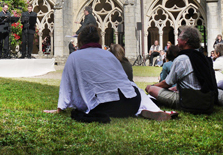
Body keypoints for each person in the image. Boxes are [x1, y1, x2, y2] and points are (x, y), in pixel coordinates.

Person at [44, 25, 174, 122]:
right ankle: (151, 110)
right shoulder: (109, 55)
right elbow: (125, 81)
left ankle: (145, 111)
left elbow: (66, 85)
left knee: (103, 100)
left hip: (104, 106)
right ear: (98, 41)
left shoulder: (74, 56)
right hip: (131, 102)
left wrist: (60, 108)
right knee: (134, 89)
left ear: (81, 42)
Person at [146, 26, 217, 114]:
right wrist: (176, 88)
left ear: (185, 40)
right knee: (172, 89)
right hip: (207, 101)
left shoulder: (182, 59)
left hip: (188, 102)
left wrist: (152, 86)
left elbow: (166, 83)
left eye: (179, 37)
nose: (177, 40)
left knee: (151, 89)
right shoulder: (204, 58)